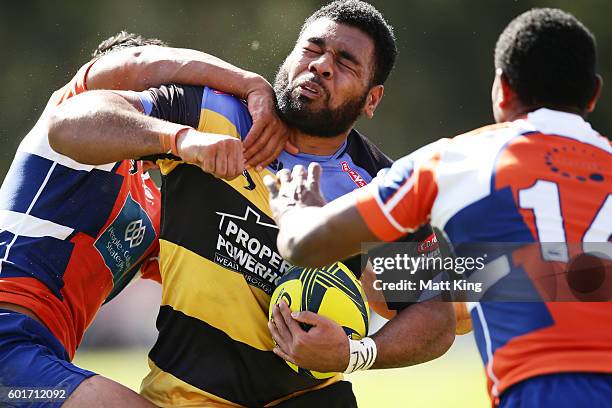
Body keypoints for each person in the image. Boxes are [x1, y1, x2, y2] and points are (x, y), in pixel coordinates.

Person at [48, 1, 456, 406]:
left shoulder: (379, 188)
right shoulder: (210, 112)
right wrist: (180, 140)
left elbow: (437, 318)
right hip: (183, 397)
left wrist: (353, 354)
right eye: (312, 49)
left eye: (346, 63)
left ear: (372, 99)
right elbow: (69, 124)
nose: (321, 65)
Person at [265, 8, 612, 408]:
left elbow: (304, 245)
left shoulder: (453, 161)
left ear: (501, 89)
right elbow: (551, 272)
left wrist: (295, 206)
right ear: (593, 94)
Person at [0, 31, 291, 407]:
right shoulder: (75, 111)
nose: (165, 104)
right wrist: (252, 84)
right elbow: (139, 60)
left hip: (37, 360)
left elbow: (213, 274)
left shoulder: (152, 207)